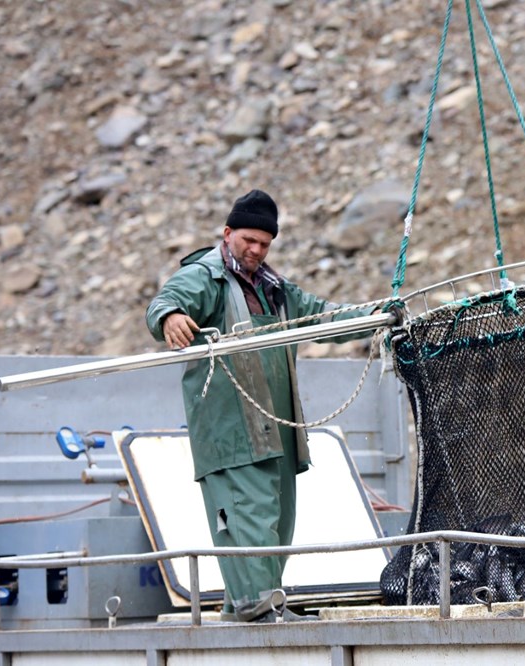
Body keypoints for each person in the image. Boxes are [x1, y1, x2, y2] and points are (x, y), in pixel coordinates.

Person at [145, 189, 373, 623]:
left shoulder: (275, 290)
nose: (256, 250)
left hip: (276, 431)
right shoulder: (205, 277)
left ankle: (251, 606)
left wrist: (375, 315)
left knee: (277, 522)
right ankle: (256, 608)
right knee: (249, 516)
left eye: (265, 244)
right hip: (232, 433)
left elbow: (323, 317)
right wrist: (170, 317)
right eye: (249, 240)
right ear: (228, 233)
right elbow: (163, 303)